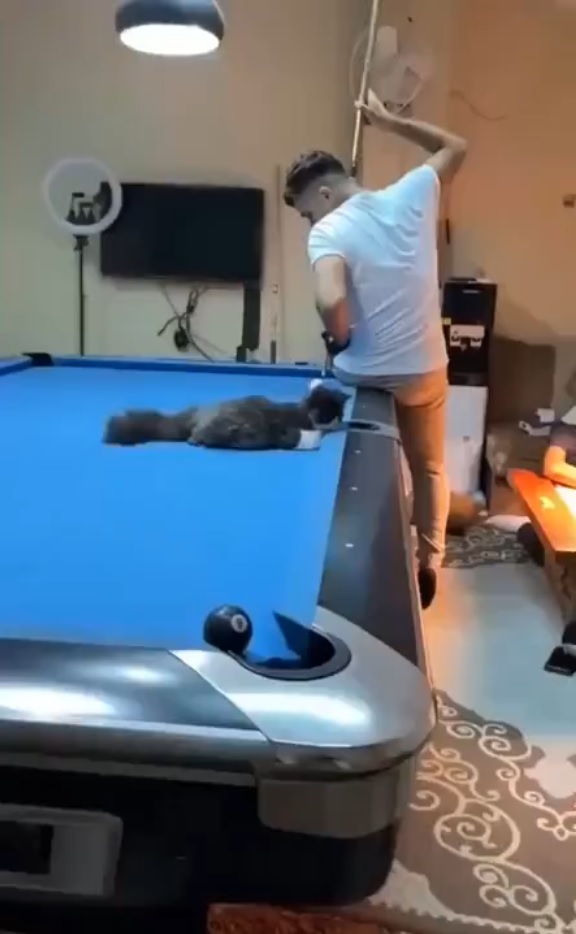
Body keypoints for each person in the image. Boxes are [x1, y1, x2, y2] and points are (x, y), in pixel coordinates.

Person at [283, 90, 468, 609]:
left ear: (323, 194)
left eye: (306, 212)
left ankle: (347, 553)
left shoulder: (328, 229)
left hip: (365, 373)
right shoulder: (412, 192)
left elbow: (330, 299)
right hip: (425, 371)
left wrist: (340, 336)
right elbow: (457, 146)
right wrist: (389, 121)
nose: (309, 222)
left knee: (337, 445)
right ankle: (429, 560)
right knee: (428, 467)